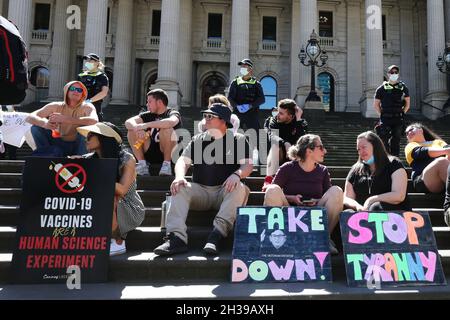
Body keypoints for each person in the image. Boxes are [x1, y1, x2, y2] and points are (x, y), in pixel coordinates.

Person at [153, 103, 253, 256]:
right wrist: (179, 177)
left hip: (224, 191)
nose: (205, 119)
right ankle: (176, 239)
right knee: (179, 187)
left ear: (223, 121)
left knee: (240, 187)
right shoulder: (197, 139)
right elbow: (182, 161)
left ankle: (216, 236)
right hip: (200, 191)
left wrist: (237, 174)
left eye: (210, 116)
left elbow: (247, 165)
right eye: (205, 116)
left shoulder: (238, 139)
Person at [263, 134, 343, 254]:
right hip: (290, 215)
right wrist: (292, 198)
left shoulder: (323, 171)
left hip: (315, 217)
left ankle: (324, 239)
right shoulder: (287, 168)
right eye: (320, 147)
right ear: (309, 151)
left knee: (336, 191)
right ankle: (279, 238)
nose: (324, 151)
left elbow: (328, 196)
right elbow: (273, 193)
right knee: (272, 189)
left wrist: (316, 201)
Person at [76, 122, 145, 256]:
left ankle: (118, 241)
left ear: (104, 137)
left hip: (128, 207)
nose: (86, 138)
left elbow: (122, 190)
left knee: (110, 196)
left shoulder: (126, 158)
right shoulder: (90, 159)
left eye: (91, 135)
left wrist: (93, 172)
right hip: (104, 205)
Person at [26, 81, 98, 157]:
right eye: (73, 88)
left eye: (79, 90)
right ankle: (45, 156)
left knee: (87, 129)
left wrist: (65, 119)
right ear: (66, 91)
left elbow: (94, 120)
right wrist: (45, 123)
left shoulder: (87, 106)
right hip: (58, 144)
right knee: (36, 127)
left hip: (79, 146)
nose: (76, 91)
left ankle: (82, 159)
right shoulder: (55, 105)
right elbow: (30, 117)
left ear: (82, 94)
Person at [344, 131, 410, 212]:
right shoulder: (355, 170)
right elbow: (347, 198)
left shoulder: (394, 164)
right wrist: (357, 206)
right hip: (362, 216)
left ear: (375, 146)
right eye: (358, 149)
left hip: (393, 216)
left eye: (364, 147)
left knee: (375, 207)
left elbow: (399, 196)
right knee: (347, 212)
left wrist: (372, 200)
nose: (361, 152)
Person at [125, 88, 181, 176]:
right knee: (131, 131)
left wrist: (145, 125)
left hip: (169, 152)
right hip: (150, 151)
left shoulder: (172, 113)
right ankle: (142, 164)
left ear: (159, 102)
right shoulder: (147, 114)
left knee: (167, 129)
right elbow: (128, 122)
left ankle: (166, 165)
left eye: (150, 101)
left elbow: (171, 122)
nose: (147, 104)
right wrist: (138, 128)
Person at [263, 99, 308, 190]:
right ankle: (268, 179)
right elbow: (272, 135)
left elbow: (303, 141)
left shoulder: (300, 123)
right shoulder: (273, 120)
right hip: (278, 154)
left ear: (291, 116)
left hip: (294, 156)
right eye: (277, 111)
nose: (277, 115)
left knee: (306, 148)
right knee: (275, 145)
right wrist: (285, 143)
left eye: (281, 113)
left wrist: (298, 119)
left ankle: (301, 180)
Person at [227, 58, 265, 149]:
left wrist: (250, 106)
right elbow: (230, 97)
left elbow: (262, 99)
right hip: (238, 112)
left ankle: (260, 156)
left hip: (252, 113)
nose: (242, 68)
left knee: (257, 134)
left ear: (250, 69)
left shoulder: (256, 83)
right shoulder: (235, 82)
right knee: (232, 132)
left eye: (245, 66)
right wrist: (236, 106)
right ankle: (229, 152)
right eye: (242, 66)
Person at [373, 65, 410, 157]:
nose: (394, 74)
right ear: (388, 74)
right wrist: (381, 115)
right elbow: (376, 105)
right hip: (385, 118)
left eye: (396, 72)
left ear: (398, 74)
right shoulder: (381, 88)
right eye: (392, 72)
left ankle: (395, 160)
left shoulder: (403, 87)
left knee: (396, 141)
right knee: (384, 139)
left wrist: (402, 113)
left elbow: (407, 104)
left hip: (398, 118)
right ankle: (386, 159)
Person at [404, 123, 450, 194]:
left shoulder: (438, 142)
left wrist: (447, 152)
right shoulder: (410, 146)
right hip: (423, 180)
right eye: (406, 133)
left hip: (444, 177)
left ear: (421, 130)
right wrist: (445, 151)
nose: (409, 133)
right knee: (442, 161)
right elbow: (421, 152)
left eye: (411, 129)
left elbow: (448, 151)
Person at [77, 53, 109, 122]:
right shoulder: (81, 75)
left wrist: (88, 101)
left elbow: (104, 93)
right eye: (87, 61)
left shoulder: (102, 76)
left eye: (90, 61)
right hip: (79, 108)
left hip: (94, 109)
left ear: (97, 63)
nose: (87, 62)